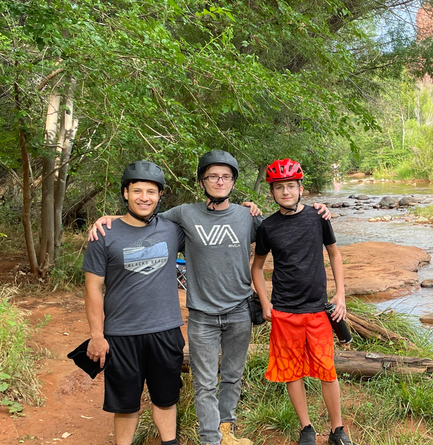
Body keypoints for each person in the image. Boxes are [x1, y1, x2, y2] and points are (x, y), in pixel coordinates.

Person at [90, 150, 330, 445]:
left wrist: (316, 210)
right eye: (212, 176)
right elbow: (143, 217)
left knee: (231, 376)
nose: (219, 181)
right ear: (202, 181)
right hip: (202, 314)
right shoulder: (184, 214)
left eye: (225, 176)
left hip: (240, 311)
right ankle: (210, 439)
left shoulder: (247, 216)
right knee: (204, 382)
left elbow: (282, 227)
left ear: (233, 181)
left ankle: (226, 432)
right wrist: (110, 219)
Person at [251, 158, 356, 445]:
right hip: (285, 311)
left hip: (317, 310)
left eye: (291, 186)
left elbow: (334, 254)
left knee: (327, 370)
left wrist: (340, 294)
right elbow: (257, 267)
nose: (285, 192)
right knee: (291, 372)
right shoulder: (268, 227)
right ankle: (306, 427)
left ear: (300, 188)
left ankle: (337, 429)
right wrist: (265, 302)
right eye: (279, 187)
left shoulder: (318, 217)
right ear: (272, 192)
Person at [83, 161, 186, 445]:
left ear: (160, 196)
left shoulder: (171, 229)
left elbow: (210, 218)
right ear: (125, 193)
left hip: (165, 330)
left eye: (151, 191)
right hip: (121, 334)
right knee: (125, 404)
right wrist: (96, 335)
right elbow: (92, 288)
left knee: (166, 399)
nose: (144, 197)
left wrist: (249, 207)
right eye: (137, 190)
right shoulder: (103, 234)